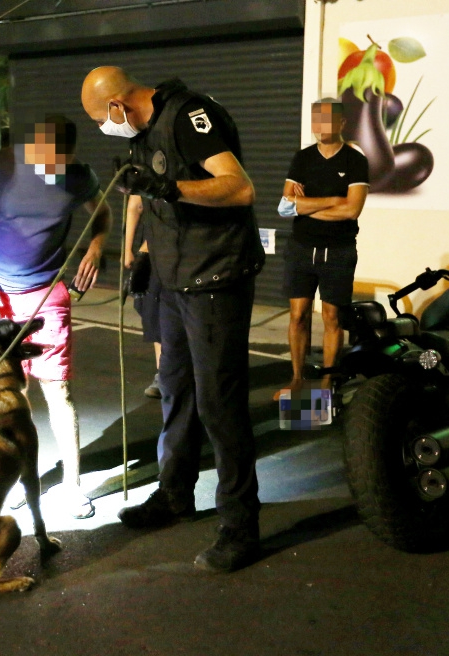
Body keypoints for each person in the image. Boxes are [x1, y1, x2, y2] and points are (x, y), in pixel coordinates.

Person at [81, 66, 265, 572]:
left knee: (219, 405)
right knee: (176, 391)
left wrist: (171, 188)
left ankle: (239, 525)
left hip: (214, 280)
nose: (105, 128)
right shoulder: (142, 133)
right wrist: (144, 255)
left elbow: (239, 187)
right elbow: (155, 203)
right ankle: (174, 495)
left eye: (102, 119)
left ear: (119, 105)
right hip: (173, 279)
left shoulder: (189, 116)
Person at [0, 115, 111, 520]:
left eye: (60, 161)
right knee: (11, 395)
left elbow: (103, 213)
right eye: (46, 160)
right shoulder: (0, 166)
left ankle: (72, 485)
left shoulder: (79, 176)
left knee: (59, 394)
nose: (51, 170)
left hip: (48, 295)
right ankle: (21, 479)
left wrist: (95, 248)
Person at [274, 98, 369, 401]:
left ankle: (327, 385)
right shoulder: (301, 158)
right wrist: (332, 200)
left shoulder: (355, 160)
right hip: (300, 248)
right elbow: (285, 207)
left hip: (338, 250)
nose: (320, 127)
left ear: (341, 124)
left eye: (327, 120)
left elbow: (352, 210)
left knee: (331, 318)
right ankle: (297, 379)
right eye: (316, 120)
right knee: (298, 315)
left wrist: (306, 205)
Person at [123, 193, 162, 399]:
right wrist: (128, 249)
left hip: (180, 251)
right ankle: (163, 374)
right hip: (152, 253)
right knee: (154, 312)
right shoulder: (146, 164)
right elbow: (135, 205)